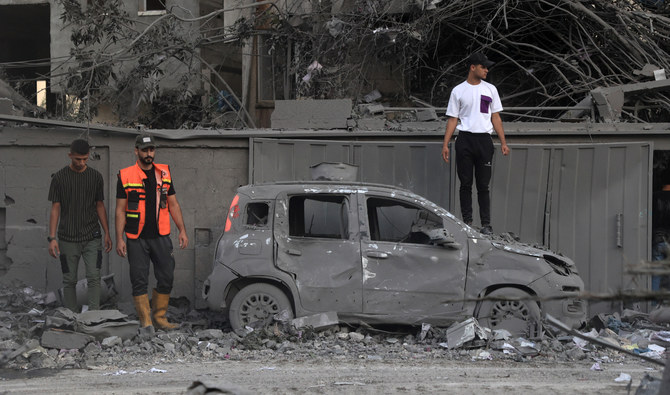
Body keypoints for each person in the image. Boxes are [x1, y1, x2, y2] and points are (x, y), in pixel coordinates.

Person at [115, 134, 188, 329]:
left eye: (152, 150)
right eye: (145, 150)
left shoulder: (164, 173)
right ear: (136, 151)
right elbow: (120, 210)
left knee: (167, 276)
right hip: (136, 237)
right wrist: (119, 239)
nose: (149, 154)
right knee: (138, 279)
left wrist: (182, 230)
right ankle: (146, 321)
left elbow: (172, 203)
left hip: (161, 236)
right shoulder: (125, 175)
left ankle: (159, 318)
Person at [441, 51, 510, 235]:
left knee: (483, 185)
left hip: (484, 140)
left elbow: (496, 117)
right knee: (465, 183)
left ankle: (486, 224)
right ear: (473, 67)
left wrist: (503, 142)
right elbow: (453, 119)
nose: (487, 70)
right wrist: (445, 144)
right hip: (465, 139)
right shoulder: (458, 90)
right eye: (483, 66)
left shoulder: (490, 89)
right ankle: (467, 221)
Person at [48, 139, 113, 312]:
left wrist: (107, 232)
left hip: (92, 236)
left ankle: (94, 315)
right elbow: (55, 208)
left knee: (94, 276)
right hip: (68, 238)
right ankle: (70, 316)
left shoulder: (95, 177)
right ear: (70, 155)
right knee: (69, 280)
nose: (81, 162)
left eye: (85, 159)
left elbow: (100, 205)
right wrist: (52, 238)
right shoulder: (59, 178)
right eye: (78, 159)